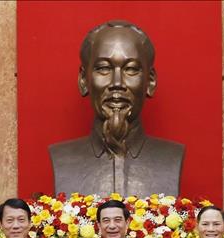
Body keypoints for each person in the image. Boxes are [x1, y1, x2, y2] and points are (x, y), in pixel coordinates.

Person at [49, 19, 184, 198]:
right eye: (104, 68)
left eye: (131, 69)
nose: (117, 83)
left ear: (150, 81)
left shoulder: (172, 156)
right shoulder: (62, 157)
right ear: (83, 80)